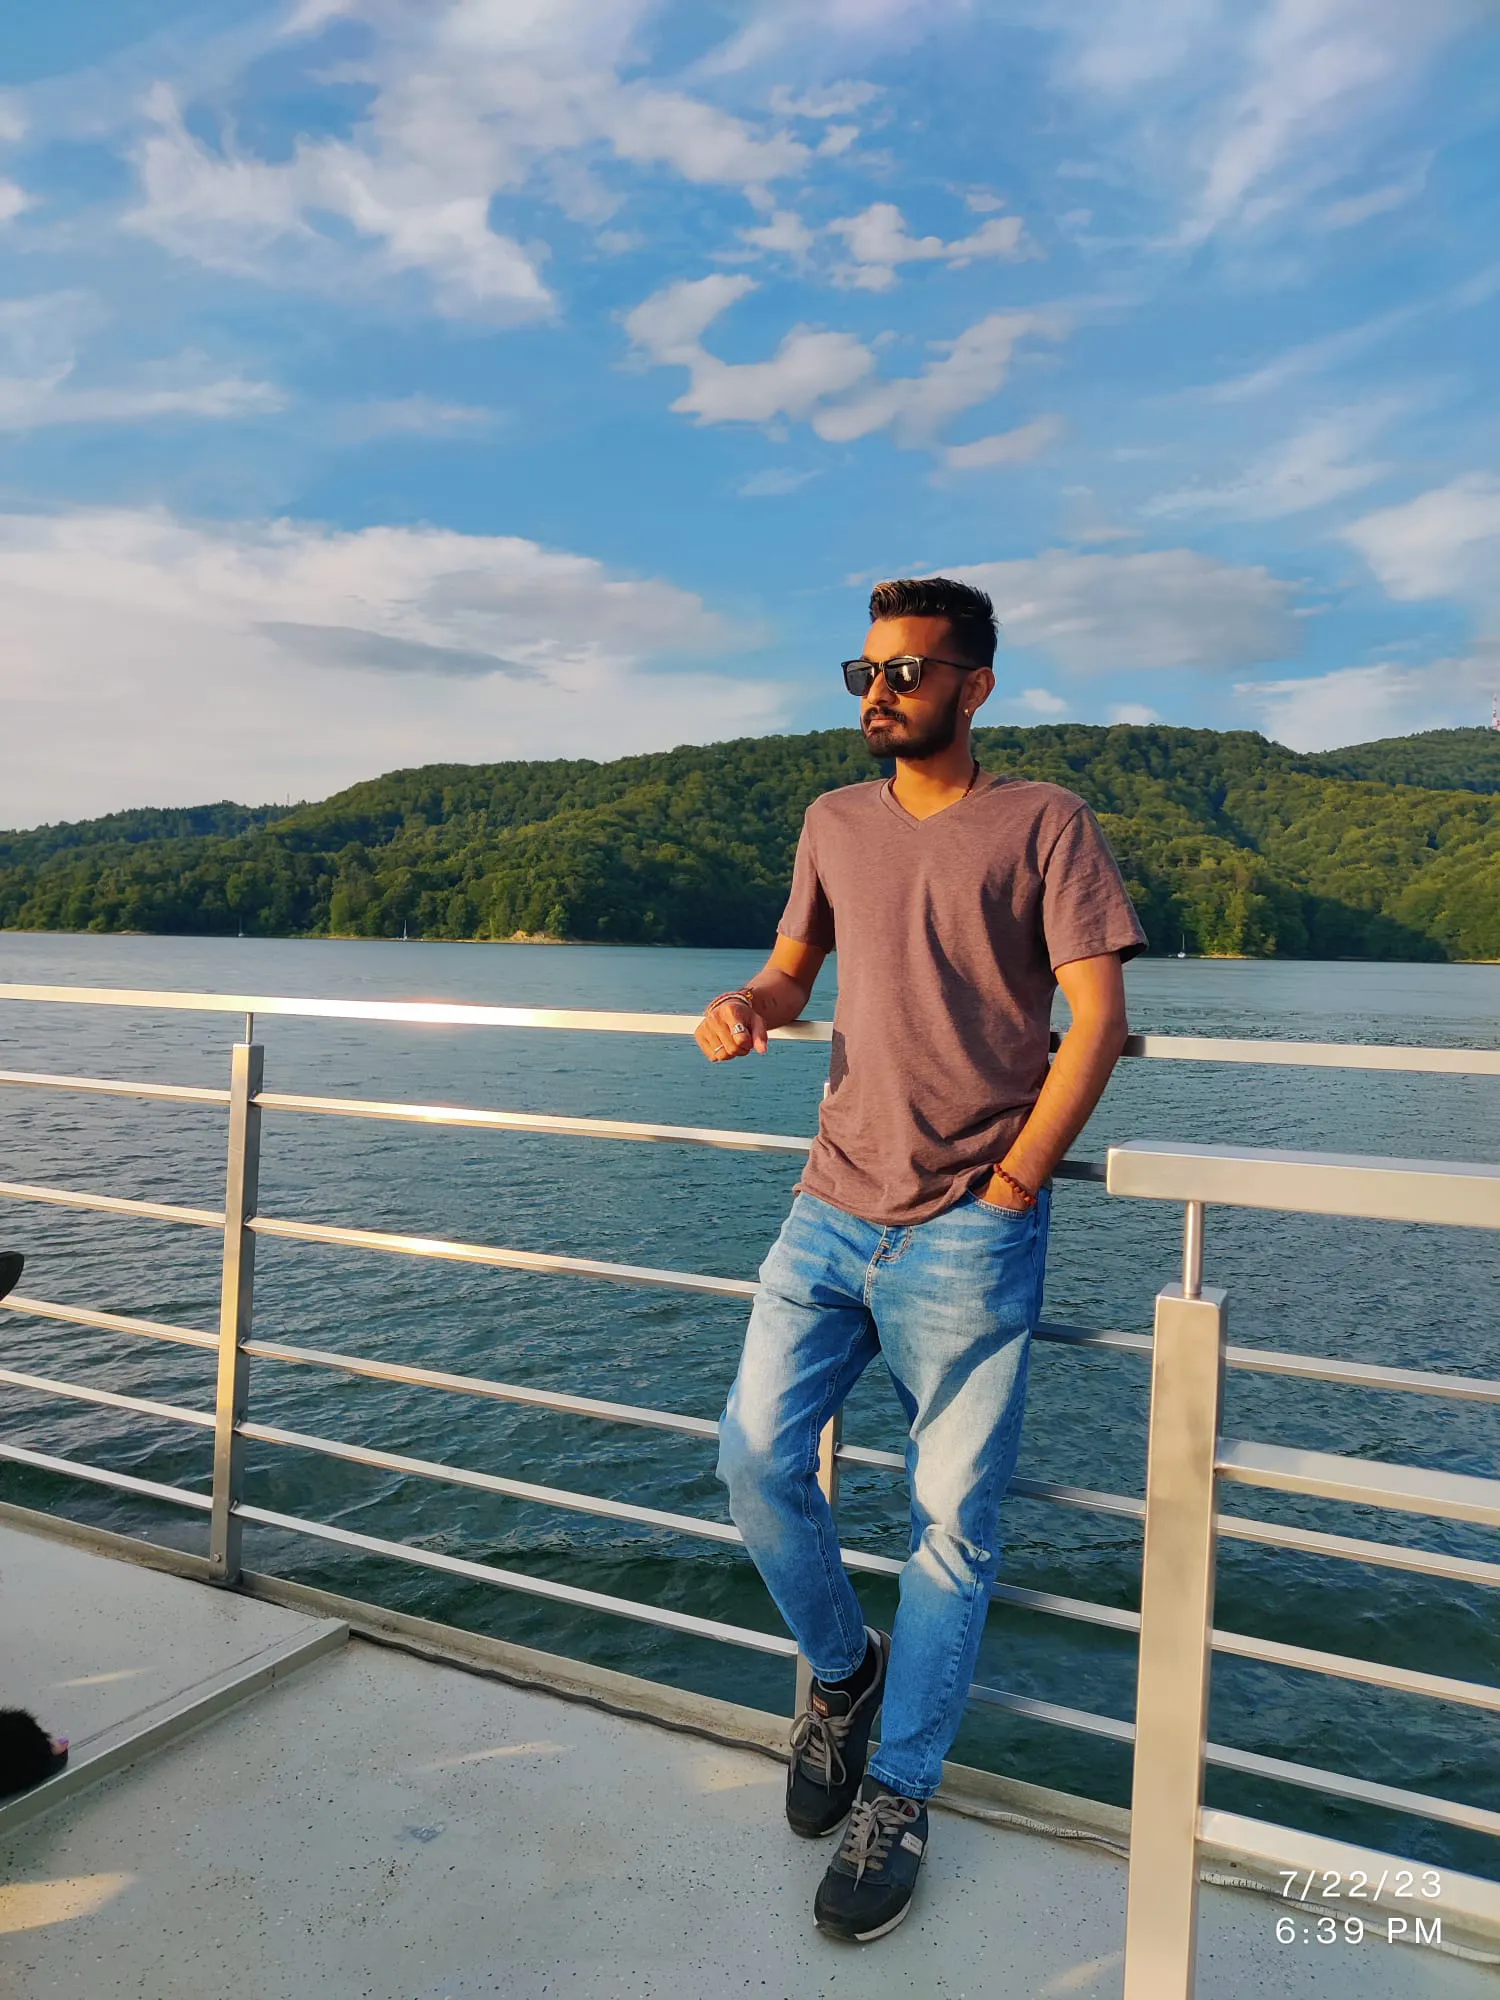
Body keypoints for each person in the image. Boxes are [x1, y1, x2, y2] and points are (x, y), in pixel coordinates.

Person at [697, 576, 1145, 1944]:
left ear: (975, 686)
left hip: (968, 1225)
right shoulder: (834, 823)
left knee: (951, 1527)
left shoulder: (1045, 822)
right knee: (752, 1460)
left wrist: (1012, 1186)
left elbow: (1097, 1018)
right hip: (829, 1203)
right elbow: (794, 968)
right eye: (865, 672)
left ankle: (898, 1795)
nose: (878, 693)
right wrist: (751, 1003)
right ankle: (846, 1674)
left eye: (905, 671)